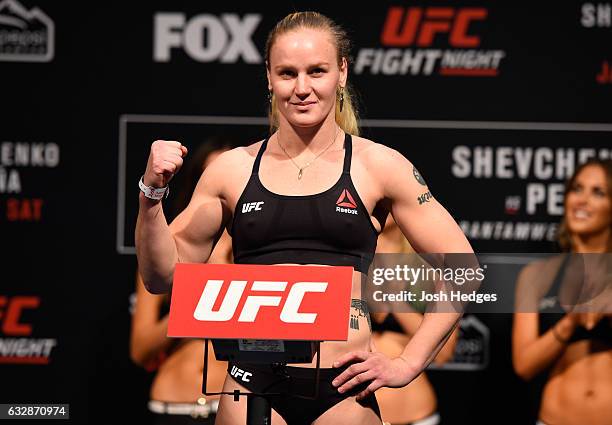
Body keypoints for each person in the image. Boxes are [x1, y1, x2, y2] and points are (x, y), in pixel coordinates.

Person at [135, 11, 474, 425]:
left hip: (343, 390)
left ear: (342, 72)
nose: (302, 88)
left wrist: (407, 362)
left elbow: (463, 268)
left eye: (317, 71)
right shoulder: (231, 169)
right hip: (250, 384)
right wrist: (151, 196)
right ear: (268, 77)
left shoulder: (379, 166)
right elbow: (160, 277)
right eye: (287, 73)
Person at [131, 139, 233, 424]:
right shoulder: (164, 249)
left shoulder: (258, 248)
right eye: (209, 174)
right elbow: (141, 348)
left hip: (233, 403)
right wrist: (194, 308)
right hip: (170, 404)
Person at [512, 159, 612, 425]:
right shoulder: (536, 276)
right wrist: (570, 323)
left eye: (598, 192)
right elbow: (524, 365)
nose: (582, 200)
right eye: (576, 189)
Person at [371, 216, 458, 425]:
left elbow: (444, 353)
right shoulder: (346, 259)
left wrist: (395, 300)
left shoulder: (432, 266)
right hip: (356, 413)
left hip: (416, 415)